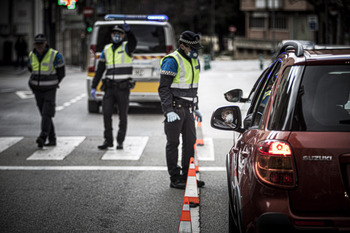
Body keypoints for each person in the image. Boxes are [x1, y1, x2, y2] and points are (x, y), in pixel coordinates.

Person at [158, 31, 205, 189]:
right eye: (192, 48)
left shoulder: (194, 60)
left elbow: (193, 87)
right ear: (182, 45)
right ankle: (175, 177)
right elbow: (163, 88)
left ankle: (187, 177)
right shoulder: (172, 61)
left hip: (189, 108)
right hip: (175, 109)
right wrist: (168, 110)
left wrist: (195, 107)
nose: (195, 51)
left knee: (190, 143)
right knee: (173, 143)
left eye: (196, 48)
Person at [91, 23, 137, 150]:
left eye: (119, 34)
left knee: (123, 115)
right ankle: (108, 140)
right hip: (109, 88)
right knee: (106, 114)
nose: (116, 36)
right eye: (114, 34)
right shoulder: (106, 50)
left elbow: (133, 42)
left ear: (123, 36)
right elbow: (100, 70)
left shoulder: (127, 47)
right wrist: (94, 86)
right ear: (111, 35)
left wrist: (130, 32)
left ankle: (120, 140)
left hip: (123, 88)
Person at [28, 34, 65, 148]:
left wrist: (54, 82)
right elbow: (31, 69)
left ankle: (43, 137)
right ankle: (52, 138)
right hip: (37, 90)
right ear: (34, 44)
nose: (39, 46)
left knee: (46, 113)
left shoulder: (55, 55)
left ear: (45, 44)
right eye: (37, 43)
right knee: (45, 115)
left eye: (41, 43)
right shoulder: (31, 55)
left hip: (50, 89)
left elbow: (61, 73)